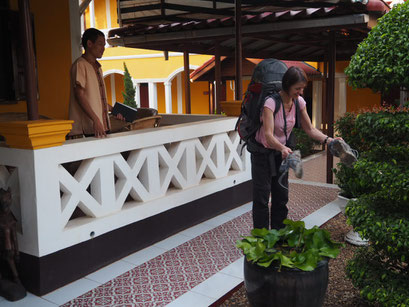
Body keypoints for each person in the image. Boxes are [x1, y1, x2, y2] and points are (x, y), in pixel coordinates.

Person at [251, 66, 337, 230]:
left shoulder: (299, 102)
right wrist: (282, 147)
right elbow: (268, 135)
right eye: (298, 88)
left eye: (303, 88)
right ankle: (261, 239)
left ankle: (279, 233)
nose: (301, 92)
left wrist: (329, 140)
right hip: (262, 153)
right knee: (262, 198)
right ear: (287, 85)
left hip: (282, 154)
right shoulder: (270, 103)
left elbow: (310, 129)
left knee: (281, 195)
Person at [68, 28, 123, 138]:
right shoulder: (80, 65)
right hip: (88, 129)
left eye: (104, 45)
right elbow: (79, 95)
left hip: (100, 127)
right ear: (89, 44)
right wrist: (96, 120)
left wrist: (114, 110)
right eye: (100, 44)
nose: (103, 48)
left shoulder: (98, 68)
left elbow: (96, 100)